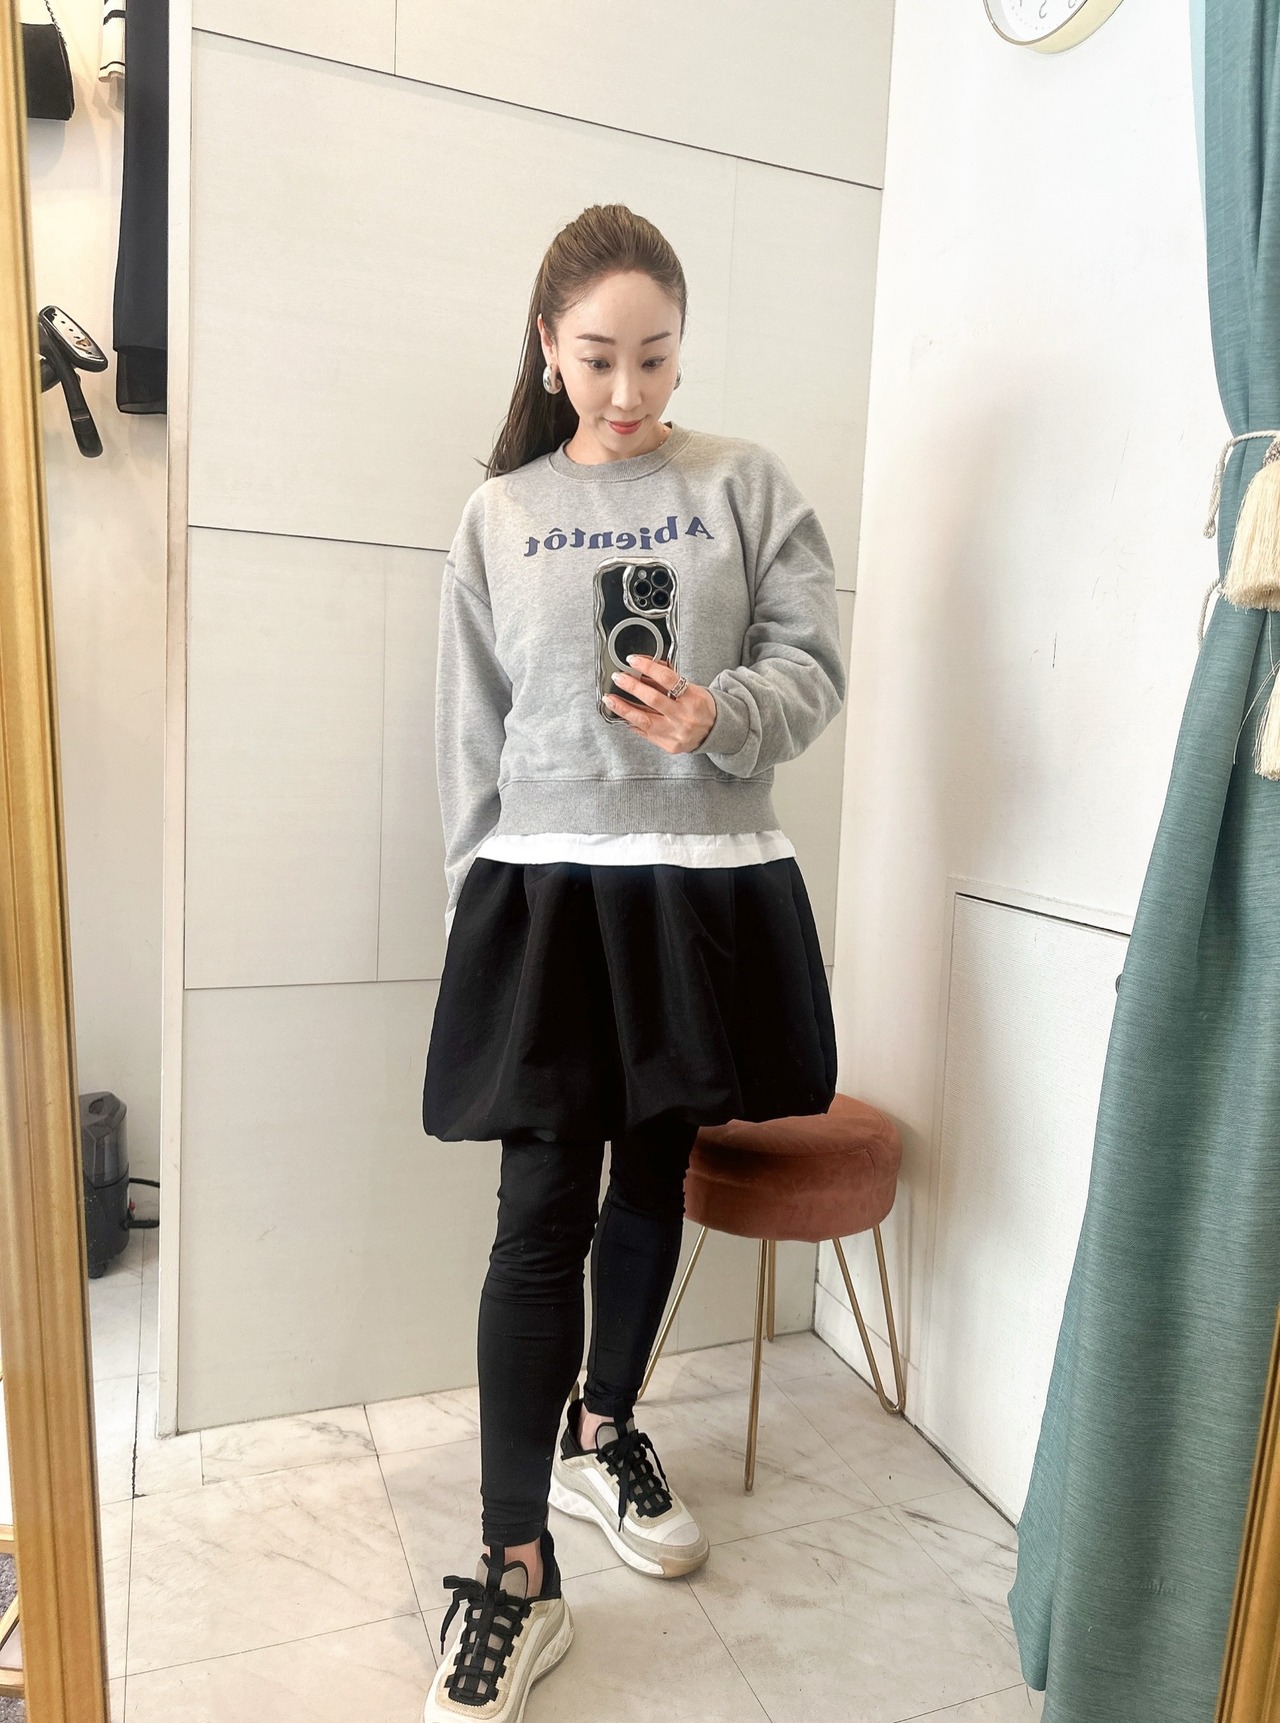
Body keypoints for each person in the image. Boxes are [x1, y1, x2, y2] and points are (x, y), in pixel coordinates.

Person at [420, 202, 844, 1722]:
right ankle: (514, 1566)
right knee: (538, 1209)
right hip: (547, 896)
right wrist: (472, 913)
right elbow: (470, 735)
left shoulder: (745, 484)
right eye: (598, 358)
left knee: (654, 1171)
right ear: (548, 347)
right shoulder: (500, 514)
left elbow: (814, 666)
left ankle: (605, 1433)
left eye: (655, 358)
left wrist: (720, 715)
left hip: (700, 887)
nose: (627, 390)